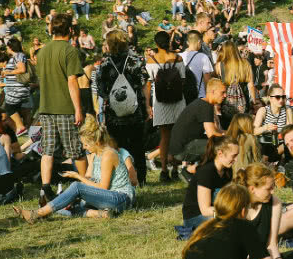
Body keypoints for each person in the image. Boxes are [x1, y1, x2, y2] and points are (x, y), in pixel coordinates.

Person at [13, 116, 135, 221]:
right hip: (107, 197)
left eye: (86, 144)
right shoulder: (95, 154)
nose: (84, 147)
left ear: (96, 142)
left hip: (121, 198)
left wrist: (77, 177)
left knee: (76, 187)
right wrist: (73, 196)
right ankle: (101, 214)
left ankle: (37, 214)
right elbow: (90, 178)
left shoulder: (108, 154)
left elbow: (103, 187)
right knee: (66, 203)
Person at [35, 13, 86, 206]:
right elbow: (72, 81)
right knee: (76, 150)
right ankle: (85, 186)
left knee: (47, 150)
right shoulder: (69, 50)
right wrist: (78, 109)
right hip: (64, 107)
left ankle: (45, 188)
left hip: (46, 107)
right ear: (70, 30)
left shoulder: (42, 51)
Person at [94, 29, 151, 184]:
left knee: (117, 145)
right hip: (135, 110)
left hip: (114, 113)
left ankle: (122, 178)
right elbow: (144, 83)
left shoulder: (104, 63)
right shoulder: (136, 60)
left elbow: (100, 88)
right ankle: (141, 178)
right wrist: (147, 106)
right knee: (138, 144)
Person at [147, 31, 187, 178]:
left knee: (164, 136)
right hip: (177, 100)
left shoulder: (151, 60)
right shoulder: (178, 58)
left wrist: (147, 105)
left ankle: (164, 170)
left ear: (156, 43)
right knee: (177, 135)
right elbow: (183, 79)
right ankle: (176, 167)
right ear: (169, 42)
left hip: (160, 101)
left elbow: (149, 83)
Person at [180, 135, 239, 230]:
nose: (236, 160)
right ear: (220, 154)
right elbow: (205, 210)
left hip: (215, 212)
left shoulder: (227, 171)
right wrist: (230, 212)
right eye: (234, 156)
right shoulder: (206, 172)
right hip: (195, 217)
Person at [169, 78, 227, 166]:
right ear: (213, 91)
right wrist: (229, 137)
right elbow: (211, 134)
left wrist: (227, 133)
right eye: (222, 92)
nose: (225, 95)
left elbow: (215, 130)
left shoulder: (203, 103)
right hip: (182, 150)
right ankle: (195, 172)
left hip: (180, 147)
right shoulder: (206, 106)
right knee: (222, 147)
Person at [213, 41, 255, 129]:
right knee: (243, 129)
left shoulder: (219, 65)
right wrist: (253, 102)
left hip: (225, 103)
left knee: (228, 129)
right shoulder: (245, 63)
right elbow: (250, 85)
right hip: (243, 102)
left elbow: (216, 84)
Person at [254, 83, 293, 164]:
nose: (281, 100)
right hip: (265, 144)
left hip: (281, 144)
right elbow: (254, 131)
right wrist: (265, 128)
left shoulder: (287, 110)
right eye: (278, 97)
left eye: (283, 97)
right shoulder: (263, 110)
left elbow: (291, 131)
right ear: (270, 98)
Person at [0, 38, 31, 136]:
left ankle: (20, 127)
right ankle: (19, 128)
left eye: (7, 47)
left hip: (17, 89)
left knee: (9, 108)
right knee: (13, 110)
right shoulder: (15, 57)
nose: (6, 49)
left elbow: (22, 69)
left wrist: (8, 72)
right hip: (14, 88)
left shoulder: (18, 55)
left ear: (10, 47)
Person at [181, 31, 214, 100]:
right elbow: (207, 80)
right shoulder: (203, 57)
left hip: (183, 97)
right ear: (199, 42)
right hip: (199, 96)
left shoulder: (179, 57)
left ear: (187, 42)